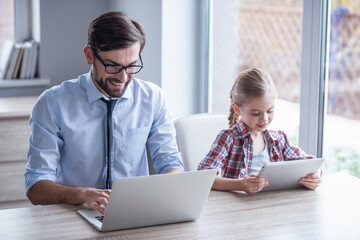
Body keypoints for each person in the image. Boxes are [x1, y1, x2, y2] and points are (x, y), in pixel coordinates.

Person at [25, 11, 184, 213]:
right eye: (112, 66)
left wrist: (173, 187)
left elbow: (170, 162)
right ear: (89, 55)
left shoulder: (152, 98)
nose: (123, 77)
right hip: (73, 214)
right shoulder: (53, 103)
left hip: (134, 212)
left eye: (132, 66)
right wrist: (82, 194)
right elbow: (36, 186)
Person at [198, 67, 321, 193]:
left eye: (270, 111)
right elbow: (203, 177)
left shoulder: (278, 140)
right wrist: (240, 185)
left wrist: (315, 175)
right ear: (237, 109)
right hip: (236, 210)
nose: (264, 119)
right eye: (256, 113)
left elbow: (310, 163)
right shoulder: (228, 139)